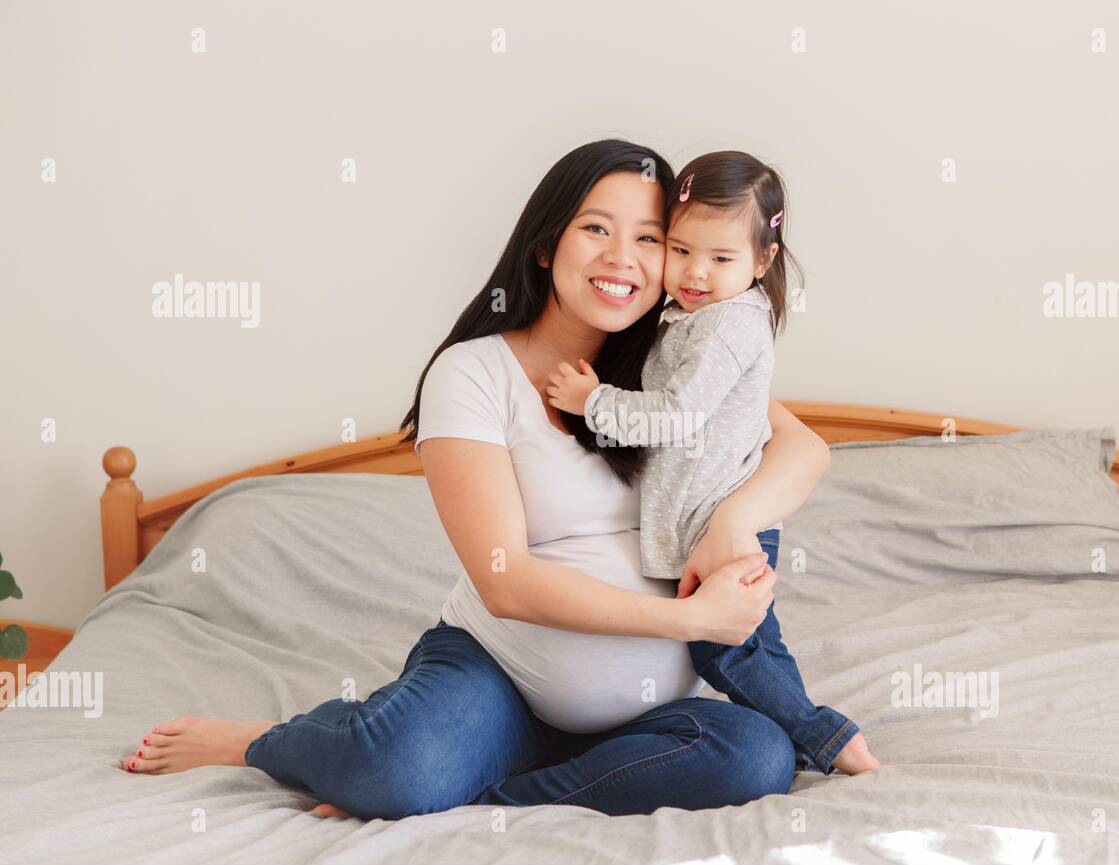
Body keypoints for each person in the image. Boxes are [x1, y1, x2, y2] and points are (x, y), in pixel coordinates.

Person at [119, 139, 875, 819]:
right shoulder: (475, 372)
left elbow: (803, 449)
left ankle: (487, 787)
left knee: (755, 756)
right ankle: (274, 742)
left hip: (643, 710)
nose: (624, 258)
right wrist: (689, 622)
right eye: (596, 229)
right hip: (499, 674)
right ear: (547, 246)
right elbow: (504, 580)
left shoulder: (677, 361)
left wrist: (733, 522)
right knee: (397, 769)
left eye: (652, 239)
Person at [546, 149, 878, 776]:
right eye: (680, 249)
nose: (695, 272)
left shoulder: (728, 327)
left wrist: (595, 402)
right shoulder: (689, 317)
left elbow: (676, 415)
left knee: (730, 653)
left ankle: (829, 739)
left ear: (763, 261)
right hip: (695, 523)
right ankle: (821, 735)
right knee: (747, 649)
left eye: (721, 259)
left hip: (715, 529)